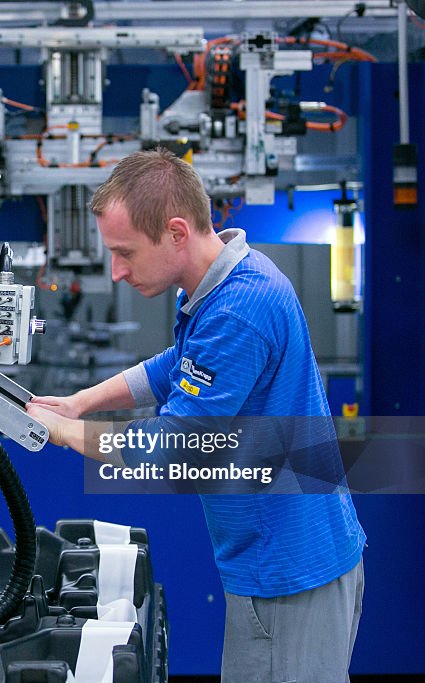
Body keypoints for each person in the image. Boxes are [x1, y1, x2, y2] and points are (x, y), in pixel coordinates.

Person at [24, 149, 366, 682]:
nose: (116, 272)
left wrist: (67, 433)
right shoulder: (231, 278)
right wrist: (79, 402)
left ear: (176, 233)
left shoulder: (236, 311)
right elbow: (171, 368)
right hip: (277, 555)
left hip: (288, 569)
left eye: (125, 253)